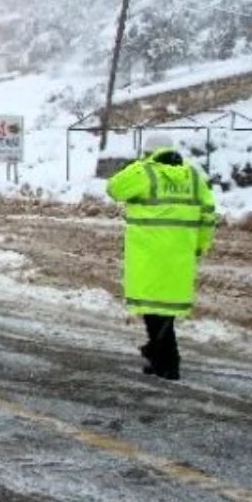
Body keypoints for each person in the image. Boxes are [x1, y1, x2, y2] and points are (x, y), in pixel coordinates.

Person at [106, 133, 215, 380]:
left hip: (149, 255)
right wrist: (200, 245)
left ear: (147, 153)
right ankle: (160, 358)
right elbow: (208, 214)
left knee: (152, 309)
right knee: (165, 310)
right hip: (180, 256)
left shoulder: (145, 173)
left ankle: (167, 362)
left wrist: (138, 164)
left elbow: (114, 188)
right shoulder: (194, 177)